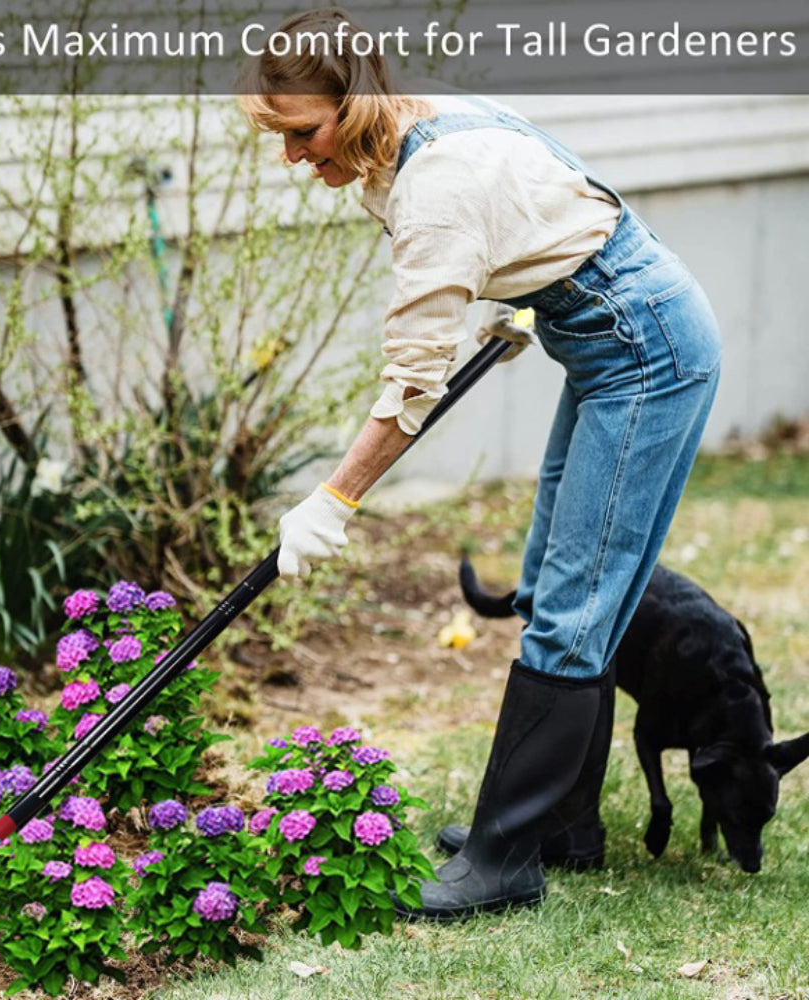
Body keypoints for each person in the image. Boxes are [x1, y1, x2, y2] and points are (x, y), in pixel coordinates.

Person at [239, 9, 721, 920]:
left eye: (304, 132)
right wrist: (525, 285)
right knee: (553, 581)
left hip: (645, 350)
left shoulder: (436, 185)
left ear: (358, 101)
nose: (294, 156)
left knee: (576, 596)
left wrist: (333, 499)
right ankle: (562, 825)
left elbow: (410, 384)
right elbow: (556, 191)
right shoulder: (419, 126)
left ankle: (505, 859)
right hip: (611, 335)